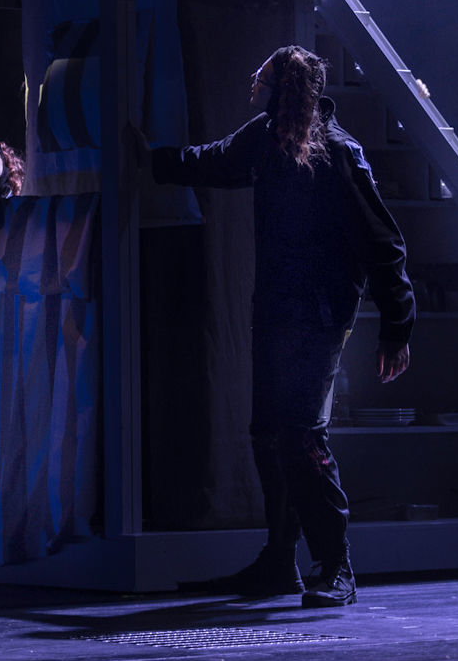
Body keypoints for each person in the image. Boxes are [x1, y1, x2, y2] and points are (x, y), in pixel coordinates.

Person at [132, 45, 414, 608]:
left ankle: (335, 564)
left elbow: (383, 242)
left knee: (300, 434)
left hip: (320, 315)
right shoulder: (265, 138)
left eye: (262, 81)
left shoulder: (337, 152)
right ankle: (280, 560)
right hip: (275, 311)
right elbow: (214, 160)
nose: (255, 90)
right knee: (268, 433)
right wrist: (154, 161)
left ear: (283, 89)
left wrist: (397, 324)